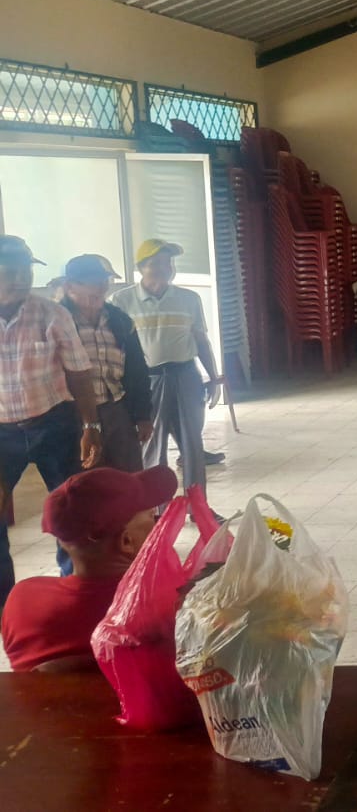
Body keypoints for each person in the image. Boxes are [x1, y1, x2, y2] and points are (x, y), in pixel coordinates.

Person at [1, 236, 102, 598]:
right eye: (10, 271)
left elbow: (79, 373)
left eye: (26, 270)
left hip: (53, 424)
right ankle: (5, 603)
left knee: (70, 511)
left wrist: (90, 426)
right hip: (2, 435)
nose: (21, 278)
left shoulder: (52, 314)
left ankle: (75, 589)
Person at [2, 465, 174, 671]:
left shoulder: (22, 601)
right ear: (126, 542)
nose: (157, 521)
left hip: (42, 694)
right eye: (151, 515)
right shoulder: (166, 606)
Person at [110, 239, 223, 490]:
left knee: (192, 442)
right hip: (147, 380)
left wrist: (214, 377)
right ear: (141, 267)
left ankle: (197, 504)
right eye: (156, 263)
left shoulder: (189, 298)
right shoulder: (121, 301)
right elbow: (116, 349)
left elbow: (201, 341)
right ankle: (157, 505)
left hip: (186, 375)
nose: (164, 268)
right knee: (151, 442)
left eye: (168, 262)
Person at [59, 255, 152, 474]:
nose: (101, 288)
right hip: (73, 416)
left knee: (129, 477)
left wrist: (143, 416)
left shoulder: (119, 321)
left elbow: (137, 371)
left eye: (104, 281)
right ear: (69, 286)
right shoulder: (57, 321)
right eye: (92, 282)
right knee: (86, 480)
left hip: (116, 410)